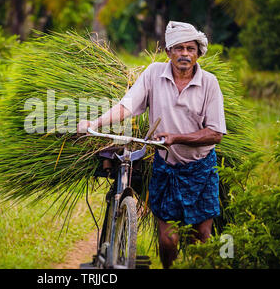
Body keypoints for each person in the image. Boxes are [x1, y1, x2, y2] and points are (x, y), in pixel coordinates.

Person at [77, 21, 227, 269]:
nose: (185, 54)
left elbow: (215, 134)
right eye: (178, 48)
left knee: (201, 238)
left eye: (190, 48)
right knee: (168, 241)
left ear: (198, 53)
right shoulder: (154, 74)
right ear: (168, 51)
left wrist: (176, 138)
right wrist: (95, 122)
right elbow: (127, 106)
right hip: (166, 167)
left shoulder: (210, 83)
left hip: (201, 169)